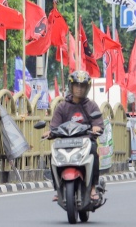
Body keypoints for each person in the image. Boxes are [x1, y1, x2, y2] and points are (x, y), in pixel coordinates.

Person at [44, 70, 103, 203]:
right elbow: (54, 126)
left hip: (86, 142)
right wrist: (49, 132)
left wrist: (96, 127)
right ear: (71, 86)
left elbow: (99, 123)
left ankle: (93, 187)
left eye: (82, 86)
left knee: (94, 150)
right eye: (77, 85)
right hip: (66, 143)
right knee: (52, 155)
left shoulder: (91, 106)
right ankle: (58, 188)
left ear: (87, 88)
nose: (79, 89)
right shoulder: (62, 107)